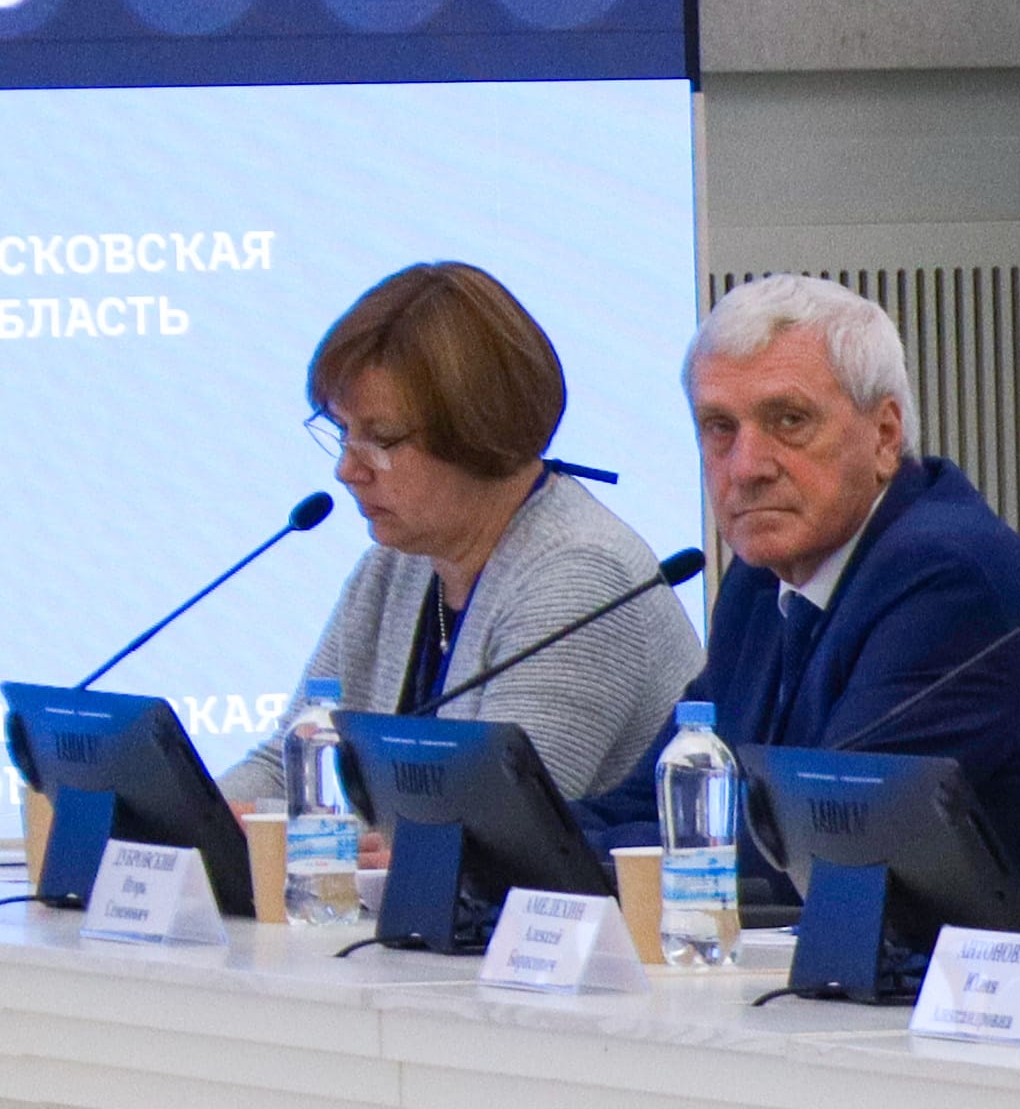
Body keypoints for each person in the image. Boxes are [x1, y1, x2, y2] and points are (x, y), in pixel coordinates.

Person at [654, 271, 1020, 898]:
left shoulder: (948, 578)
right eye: (720, 427)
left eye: (789, 420)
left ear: (885, 436)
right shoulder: (759, 582)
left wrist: (616, 866)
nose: (746, 467)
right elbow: (660, 800)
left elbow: (826, 846)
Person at [213, 257, 698, 820]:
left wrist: (301, 837)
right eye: (343, 431)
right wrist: (191, 821)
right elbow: (288, 767)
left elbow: (493, 826)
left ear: (479, 430)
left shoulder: (580, 574)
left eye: (382, 439)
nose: (347, 469)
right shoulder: (395, 567)